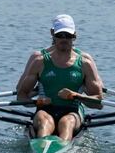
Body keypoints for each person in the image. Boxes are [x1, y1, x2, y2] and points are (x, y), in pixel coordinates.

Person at [16, 14, 104, 142]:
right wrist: (37, 102)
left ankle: (61, 150)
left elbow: (99, 102)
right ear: (53, 35)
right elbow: (21, 95)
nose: (64, 39)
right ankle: (44, 150)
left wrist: (76, 96)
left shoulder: (85, 63)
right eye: (60, 35)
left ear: (75, 36)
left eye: (68, 36)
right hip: (44, 110)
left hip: (72, 111)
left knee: (66, 123)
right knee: (43, 120)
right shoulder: (40, 61)